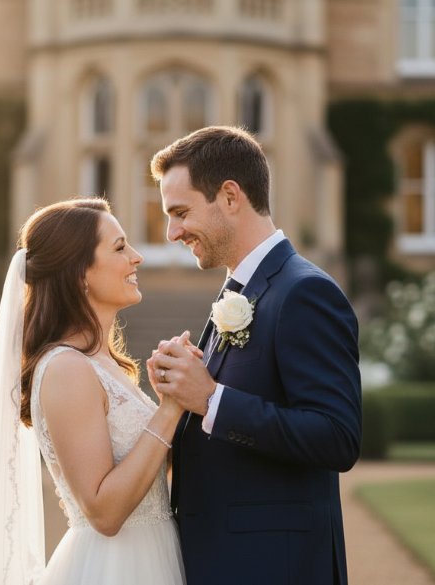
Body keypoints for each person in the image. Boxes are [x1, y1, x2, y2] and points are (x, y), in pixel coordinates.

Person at [147, 126, 363, 584]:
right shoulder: (240, 289)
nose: (171, 232)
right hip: (227, 559)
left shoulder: (304, 292)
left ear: (229, 196)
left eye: (180, 212)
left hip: (274, 566)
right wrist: (180, 396)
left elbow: (337, 437)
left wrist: (210, 400)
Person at [0, 197, 188, 585]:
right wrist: (169, 410)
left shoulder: (107, 366)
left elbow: (146, 475)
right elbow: (104, 513)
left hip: (152, 555)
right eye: (119, 247)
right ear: (80, 273)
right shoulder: (67, 368)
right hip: (115, 569)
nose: (137, 257)